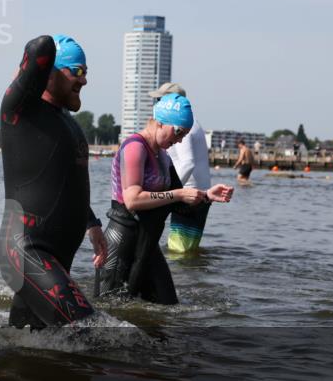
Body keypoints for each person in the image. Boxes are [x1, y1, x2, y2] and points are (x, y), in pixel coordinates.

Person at [0, 34, 107, 330]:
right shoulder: (21, 111)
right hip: (27, 251)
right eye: (78, 71)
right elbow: (39, 47)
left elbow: (64, 184)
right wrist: (41, 65)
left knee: (30, 346)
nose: (84, 80)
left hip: (56, 257)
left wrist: (92, 223)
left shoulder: (67, 123)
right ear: (50, 72)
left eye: (87, 72)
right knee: (90, 333)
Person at [97, 94, 233, 304]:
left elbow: (179, 204)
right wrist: (178, 194)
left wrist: (207, 196)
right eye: (178, 132)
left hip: (148, 244)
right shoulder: (134, 147)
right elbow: (132, 200)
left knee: (168, 307)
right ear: (159, 122)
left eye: (184, 135)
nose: (179, 140)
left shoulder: (163, 156)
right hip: (124, 240)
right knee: (110, 312)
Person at [143, 83, 212, 254]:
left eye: (159, 100)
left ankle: (181, 280)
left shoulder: (181, 126)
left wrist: (170, 193)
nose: (156, 104)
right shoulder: (191, 123)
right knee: (187, 250)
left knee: (178, 251)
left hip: (190, 193)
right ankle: (190, 279)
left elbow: (188, 162)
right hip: (196, 192)